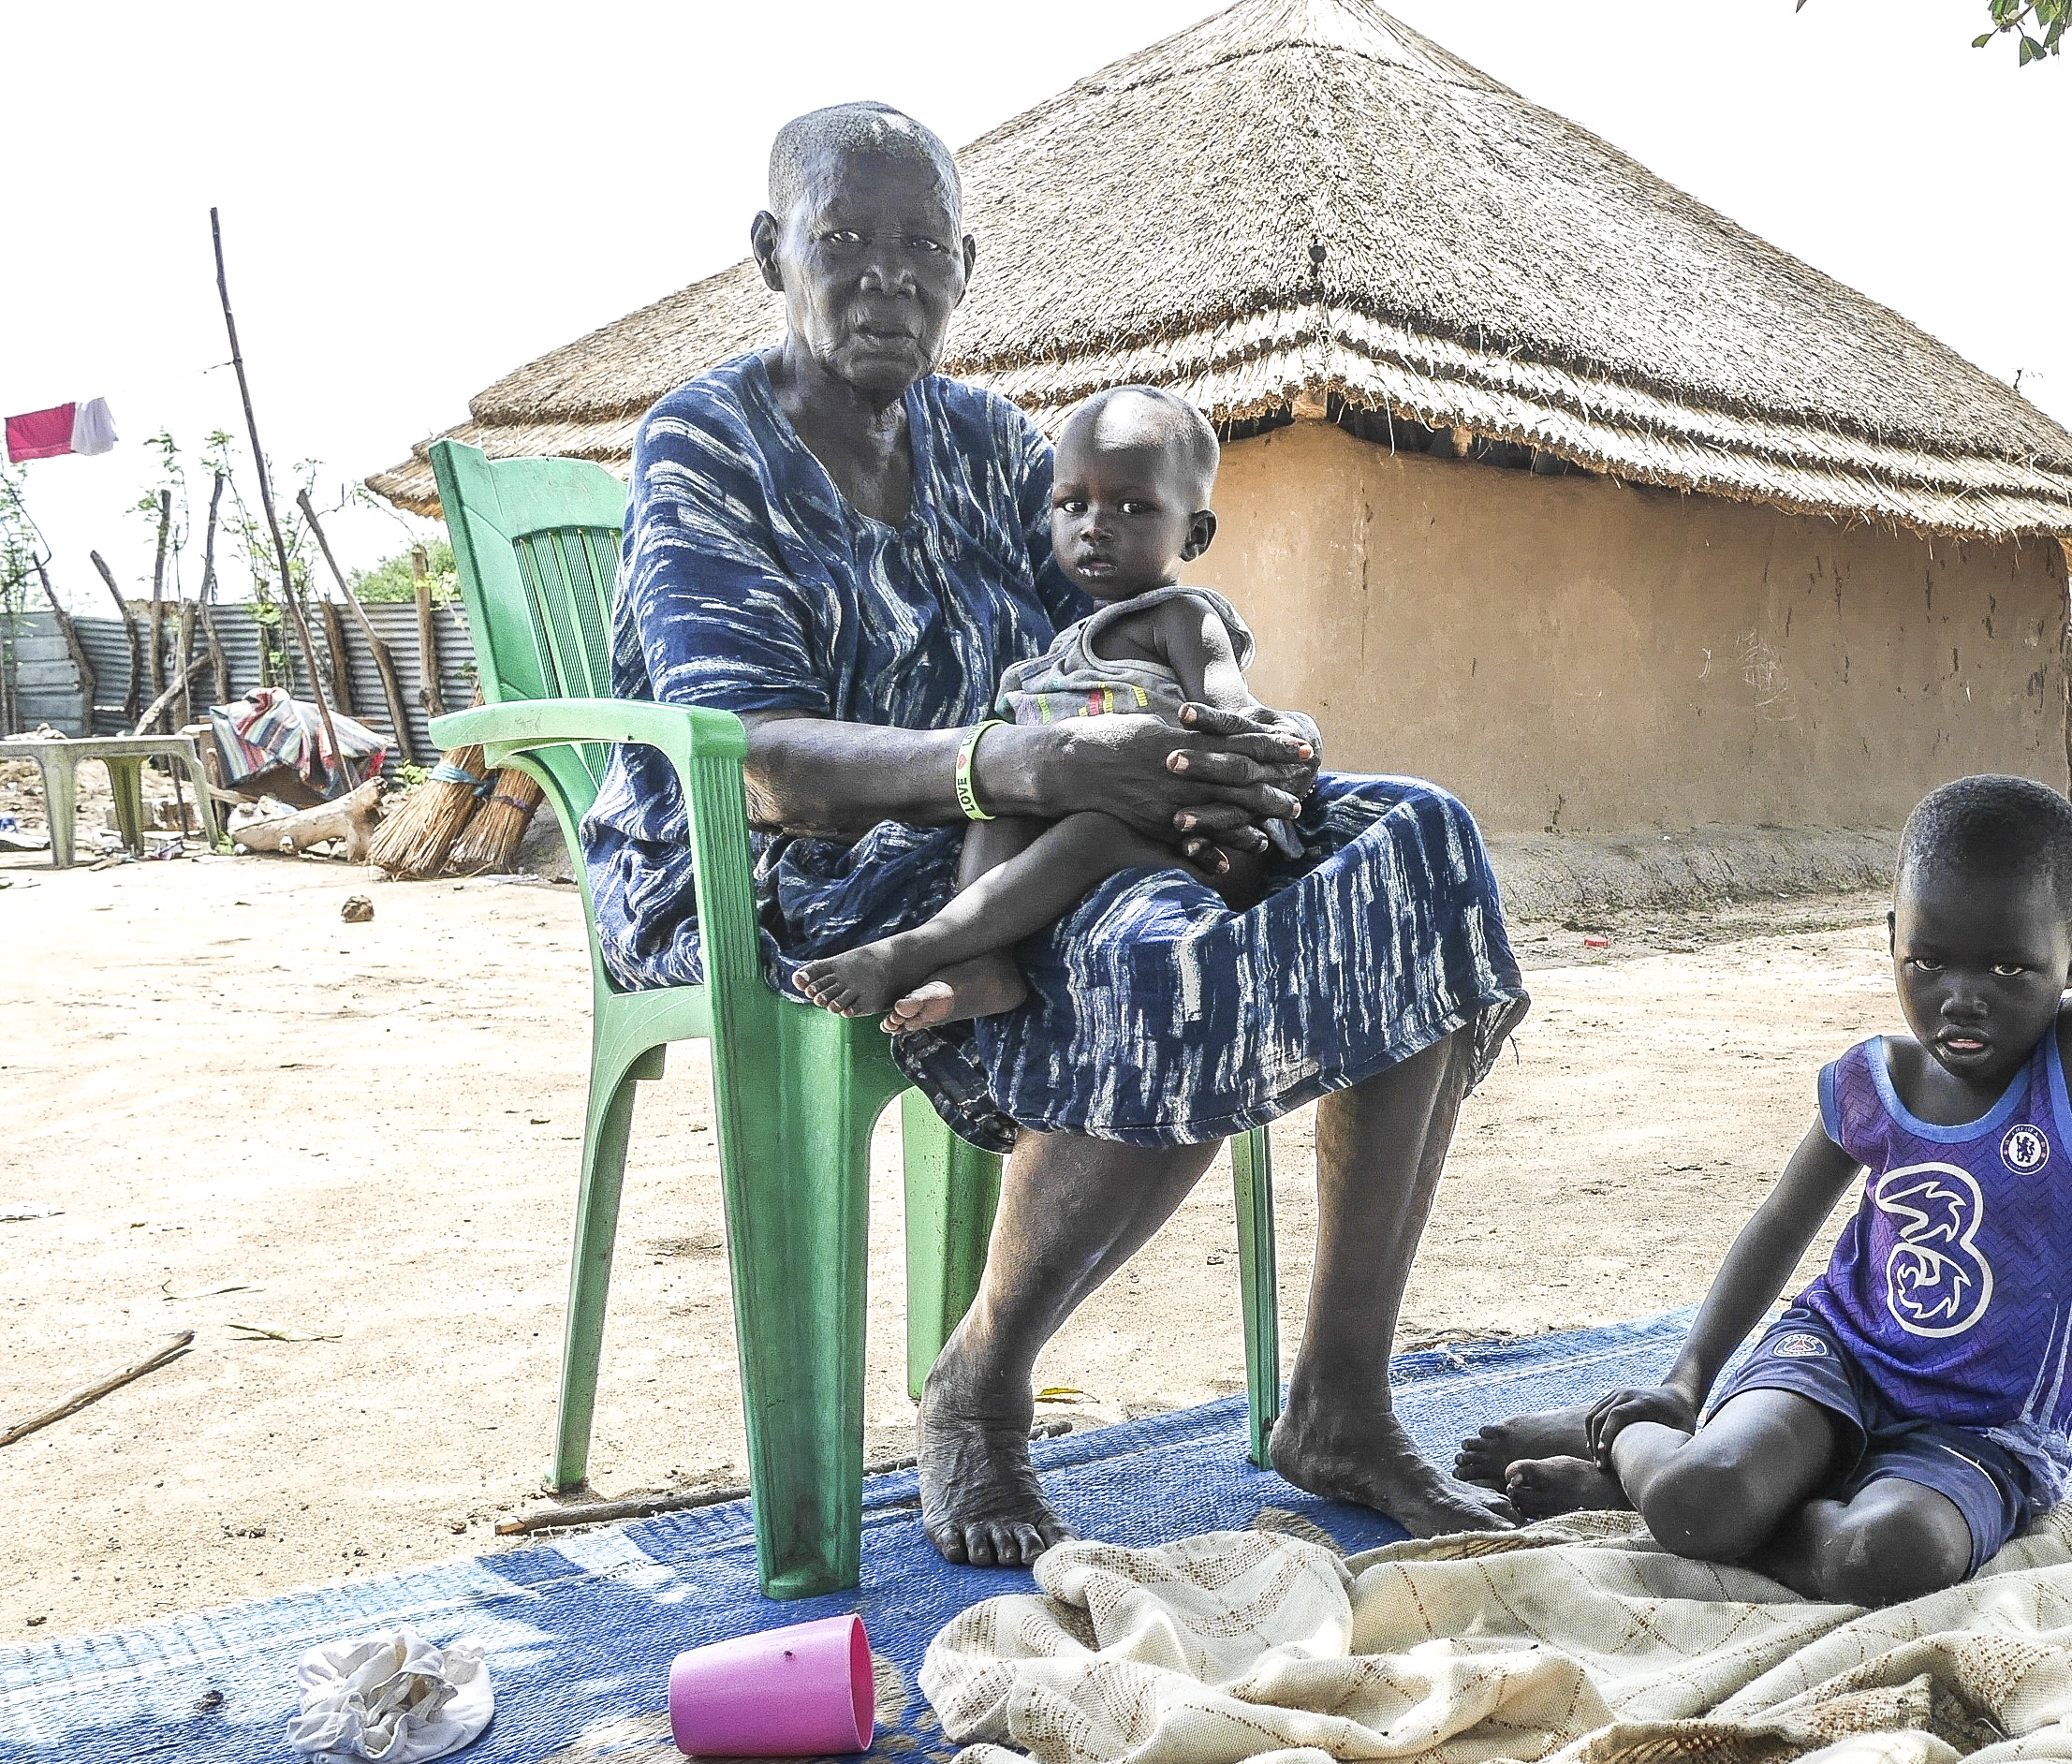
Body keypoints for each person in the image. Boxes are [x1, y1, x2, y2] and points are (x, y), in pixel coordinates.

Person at [585, 101, 1529, 1567]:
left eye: (920, 250)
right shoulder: (705, 445)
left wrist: (1240, 751)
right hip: (776, 866)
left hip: (1033, 810)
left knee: (1407, 844)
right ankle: (979, 1386)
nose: (886, 279)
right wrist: (1031, 762)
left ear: (966, 266)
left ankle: (1338, 1396)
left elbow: (1095, 652)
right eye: (846, 243)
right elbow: (757, 760)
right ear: (774, 251)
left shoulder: (983, 442)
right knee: (1162, 940)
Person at [1458, 776, 2072, 1606]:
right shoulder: (1872, 1080)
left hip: (1979, 1430)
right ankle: (1634, 1436)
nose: (1962, 997)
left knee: (1887, 1558)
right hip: (1832, 1362)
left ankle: (1675, 1494)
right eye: (1926, 961)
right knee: (1696, 1497)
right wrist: (1683, 1382)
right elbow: (1779, 1228)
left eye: (2010, 967)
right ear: (1891, 937)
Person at [791, 386, 1288, 1032]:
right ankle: (986, 962)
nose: (1094, 525)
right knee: (996, 799)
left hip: (1205, 849)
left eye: (1134, 507)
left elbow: (1234, 714)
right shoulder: (1055, 657)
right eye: (1071, 505)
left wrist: (1277, 740)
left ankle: (916, 949)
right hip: (1096, 841)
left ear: (1195, 536)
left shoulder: (1183, 619)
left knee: (1090, 835)